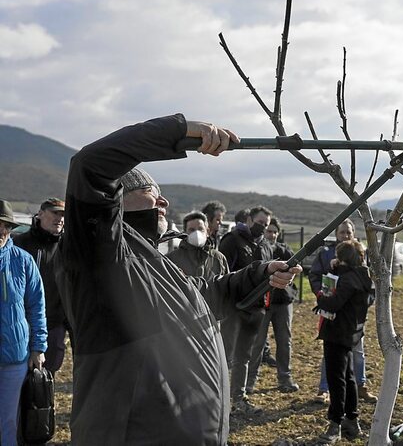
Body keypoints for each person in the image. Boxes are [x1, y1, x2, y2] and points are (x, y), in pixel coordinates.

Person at [59, 115, 300, 444]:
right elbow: (89, 164)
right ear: (114, 199)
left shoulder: (153, 260)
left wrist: (261, 273)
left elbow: (204, 295)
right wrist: (183, 131)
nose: (163, 201)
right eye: (149, 192)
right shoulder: (100, 255)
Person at [309, 219, 376, 404]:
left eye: (349, 232)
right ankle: (324, 389)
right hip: (332, 310)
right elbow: (315, 275)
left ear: (353, 233)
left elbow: (368, 281)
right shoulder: (326, 254)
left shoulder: (360, 253)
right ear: (336, 234)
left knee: (357, 351)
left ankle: (360, 386)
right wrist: (320, 294)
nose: (345, 235)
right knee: (331, 354)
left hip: (353, 313)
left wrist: (366, 302)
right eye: (342, 233)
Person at [315, 240, 374, 444]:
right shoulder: (362, 277)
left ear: (343, 258)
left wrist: (321, 298)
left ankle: (335, 423)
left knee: (336, 379)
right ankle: (352, 418)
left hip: (337, 332)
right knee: (348, 376)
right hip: (351, 333)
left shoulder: (347, 280)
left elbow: (333, 303)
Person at [218, 205, 275, 413]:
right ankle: (218, 397)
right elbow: (222, 274)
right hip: (233, 307)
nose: (262, 227)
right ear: (249, 219)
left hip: (256, 308)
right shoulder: (232, 241)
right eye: (260, 223)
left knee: (244, 355)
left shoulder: (266, 246)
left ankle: (238, 399)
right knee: (225, 355)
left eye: (266, 225)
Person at [0, 199, 47, 446]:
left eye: (5, 226)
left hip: (14, 356)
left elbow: (37, 307)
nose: (1, 231)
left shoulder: (23, 261)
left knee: (8, 420)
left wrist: (38, 347)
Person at [14, 197, 70, 375]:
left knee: (46, 378)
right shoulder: (19, 244)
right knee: (18, 376)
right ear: (40, 214)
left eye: (63, 215)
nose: (60, 218)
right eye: (55, 213)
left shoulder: (68, 247)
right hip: (20, 324)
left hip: (54, 324)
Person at [247, 217, 300, 393]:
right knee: (257, 343)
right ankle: (249, 382)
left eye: (275, 231)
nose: (272, 234)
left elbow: (295, 267)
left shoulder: (285, 251)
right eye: (269, 231)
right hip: (262, 303)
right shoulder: (258, 250)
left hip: (283, 303)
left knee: (285, 342)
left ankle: (285, 378)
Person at [167, 211, 229, 280]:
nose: (196, 233)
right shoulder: (172, 259)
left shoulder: (219, 258)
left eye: (200, 229)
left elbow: (226, 286)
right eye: (191, 230)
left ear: (207, 232)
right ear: (184, 233)